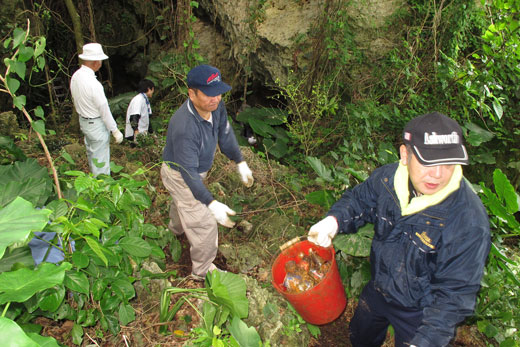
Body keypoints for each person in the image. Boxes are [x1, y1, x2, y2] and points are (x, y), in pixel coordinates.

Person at [308, 112, 490, 347]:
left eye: (448, 163)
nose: (438, 174)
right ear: (405, 154)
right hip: (379, 286)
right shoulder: (388, 179)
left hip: (419, 311)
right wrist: (333, 221)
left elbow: (454, 295)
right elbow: (360, 200)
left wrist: (426, 341)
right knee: (359, 335)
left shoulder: (468, 220)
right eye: (428, 161)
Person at [161, 64, 254, 280]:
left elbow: (226, 133)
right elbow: (189, 175)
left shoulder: (216, 107)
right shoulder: (185, 126)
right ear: (191, 94)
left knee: (183, 206)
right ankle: (201, 272)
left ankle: (173, 232)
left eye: (219, 92)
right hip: (180, 175)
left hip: (193, 173)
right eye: (209, 94)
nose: (216, 98)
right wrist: (211, 203)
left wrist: (239, 161)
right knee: (205, 223)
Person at [70, 43, 123, 176]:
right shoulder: (94, 84)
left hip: (84, 122)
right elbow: (104, 110)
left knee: (92, 155)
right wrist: (115, 130)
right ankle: (102, 189)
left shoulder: (76, 76)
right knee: (101, 162)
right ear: (95, 62)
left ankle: (93, 182)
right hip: (96, 124)